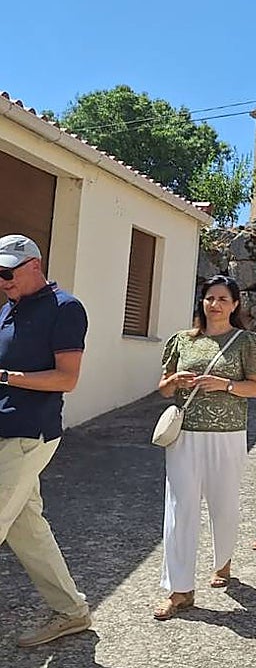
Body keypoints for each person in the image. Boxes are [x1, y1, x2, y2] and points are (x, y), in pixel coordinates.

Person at [0, 234, 93, 647]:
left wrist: (7, 378)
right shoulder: (9, 310)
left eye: (8, 272)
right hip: (4, 430)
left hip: (28, 433)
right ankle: (72, 611)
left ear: (34, 265)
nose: (2, 280)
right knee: (26, 529)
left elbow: (67, 379)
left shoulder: (65, 309)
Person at [156, 275, 256, 620]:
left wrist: (226, 385)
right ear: (201, 302)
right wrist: (172, 382)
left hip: (228, 435)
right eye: (209, 298)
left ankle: (223, 562)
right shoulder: (182, 341)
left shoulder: (246, 342)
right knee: (180, 508)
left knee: (224, 504)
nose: (214, 304)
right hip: (184, 434)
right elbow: (162, 388)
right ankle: (180, 589)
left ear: (234, 305)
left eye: (222, 299)